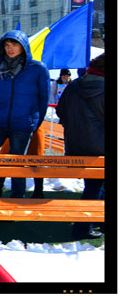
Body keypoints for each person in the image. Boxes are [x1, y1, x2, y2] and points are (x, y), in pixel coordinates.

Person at [0, 29, 50, 199]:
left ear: (24, 46)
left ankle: (17, 197)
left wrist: (33, 123)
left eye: (15, 44)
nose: (10, 48)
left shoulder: (38, 69)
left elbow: (43, 100)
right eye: (7, 45)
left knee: (17, 164)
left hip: (22, 124)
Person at [56, 53, 104, 239]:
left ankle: (97, 221)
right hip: (100, 146)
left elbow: (60, 110)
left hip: (76, 144)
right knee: (95, 187)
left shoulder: (74, 85)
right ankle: (83, 227)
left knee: (94, 185)